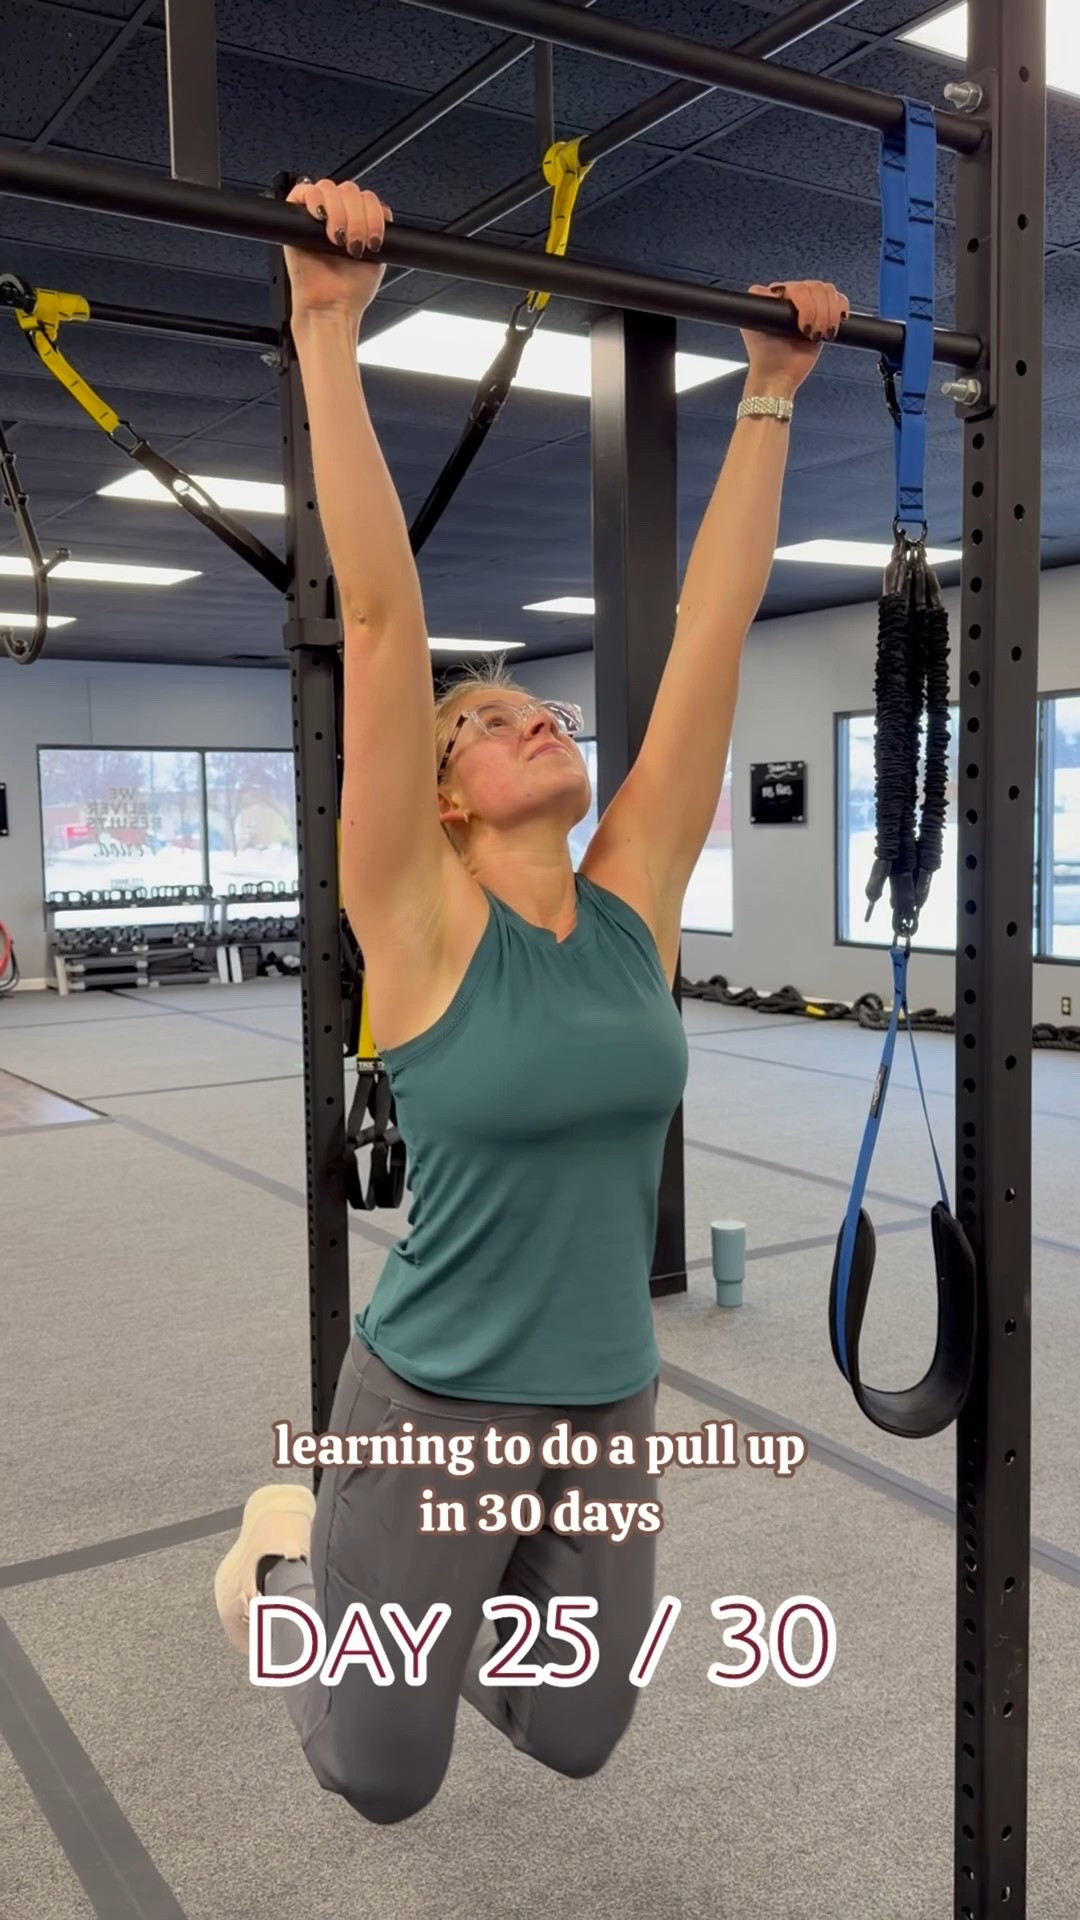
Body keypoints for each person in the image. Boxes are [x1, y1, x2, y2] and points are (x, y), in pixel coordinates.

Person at [214, 176, 848, 1824]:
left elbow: (708, 633)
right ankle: (291, 1574)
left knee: (569, 1733)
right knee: (381, 1773)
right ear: (439, 796)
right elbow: (376, 620)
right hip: (430, 1397)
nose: (534, 723)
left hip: (611, 1396)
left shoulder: (631, 900)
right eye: (490, 721)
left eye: (540, 710)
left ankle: (414, 1615)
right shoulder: (413, 925)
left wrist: (769, 397)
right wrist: (327, 335)